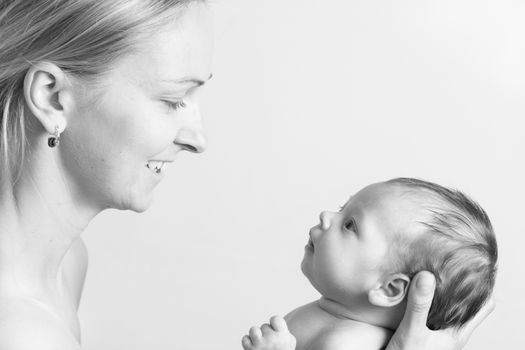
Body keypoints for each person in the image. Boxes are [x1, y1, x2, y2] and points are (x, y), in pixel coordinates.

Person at [0, 1, 493, 349]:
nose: (198, 137)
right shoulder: (22, 331)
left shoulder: (67, 265)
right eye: (173, 99)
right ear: (51, 96)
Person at [241, 178, 497, 350]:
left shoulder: (348, 342)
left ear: (389, 289)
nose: (326, 216)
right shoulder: (331, 317)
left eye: (350, 225)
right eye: (342, 208)